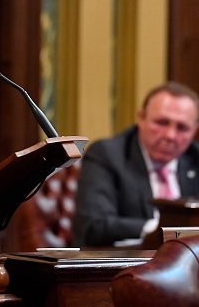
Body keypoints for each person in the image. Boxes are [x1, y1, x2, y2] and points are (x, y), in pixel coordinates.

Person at [73, 81, 199, 248]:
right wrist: (157, 230)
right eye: (161, 123)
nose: (170, 135)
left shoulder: (195, 158)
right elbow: (94, 225)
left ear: (194, 130)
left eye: (182, 128)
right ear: (141, 118)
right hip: (124, 267)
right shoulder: (107, 154)